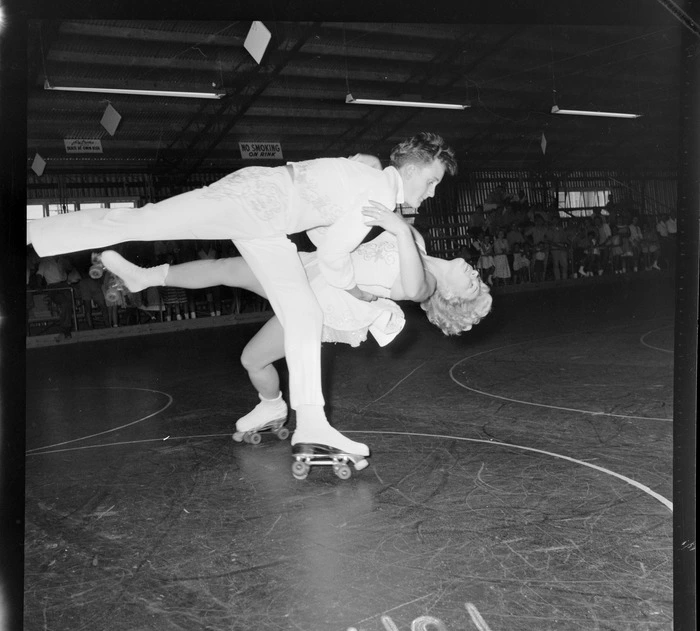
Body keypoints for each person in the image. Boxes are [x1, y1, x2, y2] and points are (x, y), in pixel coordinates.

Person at [27, 135, 458, 461]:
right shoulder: (381, 192)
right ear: (415, 166)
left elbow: (320, 232)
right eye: (433, 180)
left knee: (303, 312)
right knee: (148, 220)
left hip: (269, 221)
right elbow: (331, 253)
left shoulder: (370, 182)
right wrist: (353, 288)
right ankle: (34, 231)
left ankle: (312, 422)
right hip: (255, 201)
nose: (433, 191)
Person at [95, 206, 493, 437]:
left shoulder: (422, 284)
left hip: (319, 298)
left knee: (252, 359)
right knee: (227, 267)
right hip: (315, 268)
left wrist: (393, 230)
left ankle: (271, 406)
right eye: (477, 276)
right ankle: (145, 276)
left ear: (452, 296)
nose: (474, 273)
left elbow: (385, 280)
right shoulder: (418, 240)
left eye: (472, 285)